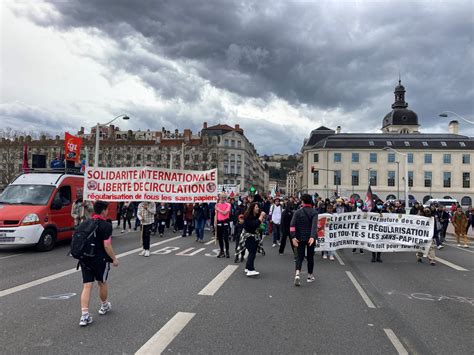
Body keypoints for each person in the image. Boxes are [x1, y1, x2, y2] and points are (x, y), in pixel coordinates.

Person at [79, 201, 118, 327]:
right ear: (104, 211)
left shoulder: (85, 222)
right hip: (100, 259)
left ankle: (84, 316)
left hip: (85, 258)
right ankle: (104, 305)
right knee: (102, 282)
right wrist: (114, 259)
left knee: (87, 286)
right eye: (107, 209)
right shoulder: (106, 225)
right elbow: (107, 245)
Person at [290, 194, 318, 286]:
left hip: (299, 237)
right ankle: (310, 276)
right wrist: (312, 236)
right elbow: (314, 226)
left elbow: (292, 225)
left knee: (299, 257)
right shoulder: (314, 212)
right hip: (310, 237)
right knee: (310, 257)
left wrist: (293, 237)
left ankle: (297, 273)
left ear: (302, 202)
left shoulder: (297, 212)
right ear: (311, 202)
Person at [236, 203, 266, 276]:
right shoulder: (247, 216)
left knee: (252, 252)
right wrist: (261, 216)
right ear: (252, 208)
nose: (258, 208)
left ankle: (247, 267)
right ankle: (250, 270)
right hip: (248, 236)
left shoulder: (255, 215)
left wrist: (262, 219)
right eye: (256, 207)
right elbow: (253, 225)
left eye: (258, 207)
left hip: (254, 236)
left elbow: (258, 225)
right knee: (252, 252)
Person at [215, 193, 231, 258]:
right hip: (219, 222)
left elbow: (225, 212)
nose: (223, 198)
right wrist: (215, 223)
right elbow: (215, 215)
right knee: (220, 238)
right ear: (219, 197)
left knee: (226, 238)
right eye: (222, 197)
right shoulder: (217, 204)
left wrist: (218, 209)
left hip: (226, 222)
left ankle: (227, 251)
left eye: (224, 197)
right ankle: (222, 251)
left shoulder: (228, 204)